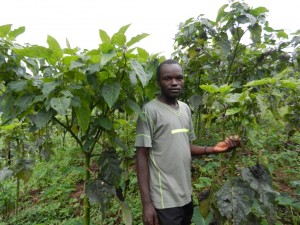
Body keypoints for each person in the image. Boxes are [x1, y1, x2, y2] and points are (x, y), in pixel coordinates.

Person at [135, 59, 240, 225]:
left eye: (179, 78)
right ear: (158, 83)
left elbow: (186, 146)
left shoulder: (185, 109)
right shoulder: (150, 111)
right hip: (164, 200)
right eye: (167, 78)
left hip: (185, 196)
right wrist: (147, 204)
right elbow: (141, 155)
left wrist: (214, 149)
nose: (174, 83)